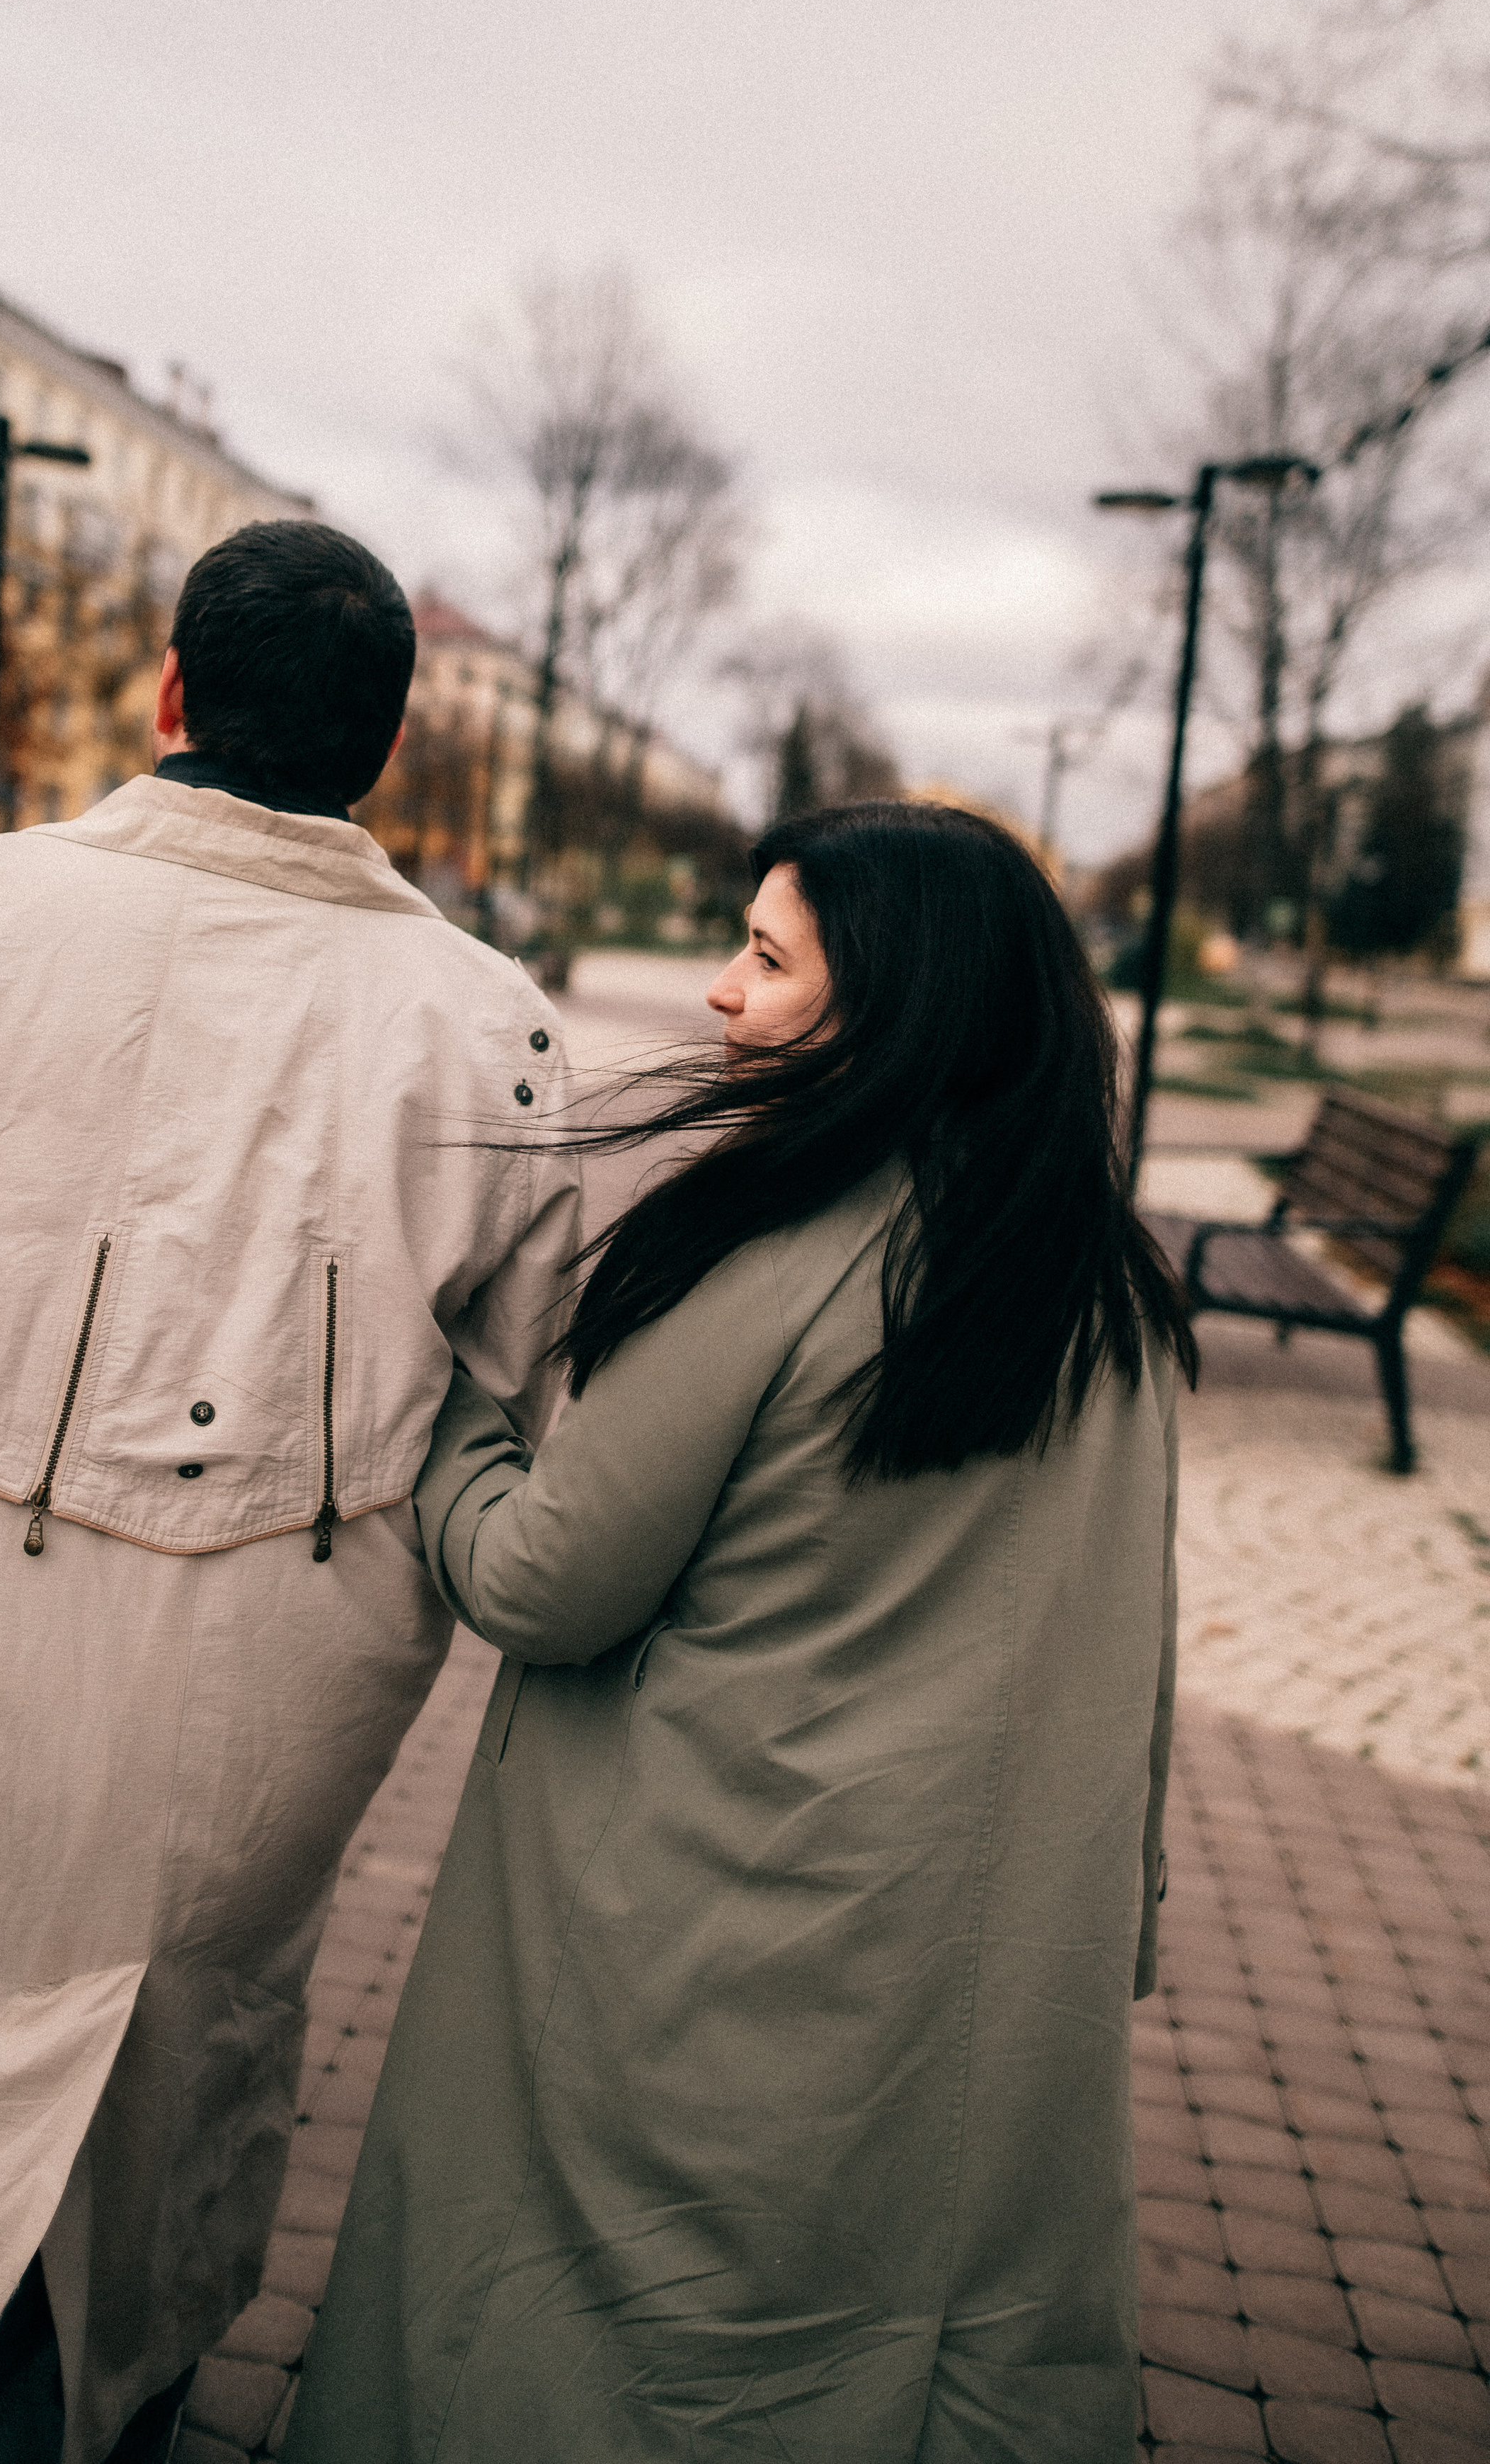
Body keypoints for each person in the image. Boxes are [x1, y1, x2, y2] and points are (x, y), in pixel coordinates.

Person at [0, 519, 580, 2464]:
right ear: (384, 742)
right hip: (285, 1699)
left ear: (170, 691)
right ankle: (109, 2406)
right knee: (185, 2071)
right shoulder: (497, 1031)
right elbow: (526, 1403)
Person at [287, 800, 1193, 2464]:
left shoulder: (773, 1249)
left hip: (709, 1925)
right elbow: (1131, 1648)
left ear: (892, 1008)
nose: (719, 990)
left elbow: (545, 1581)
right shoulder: (1101, 1285)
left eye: (766, 958)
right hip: (975, 1958)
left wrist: (444, 1412)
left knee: (608, 2330)